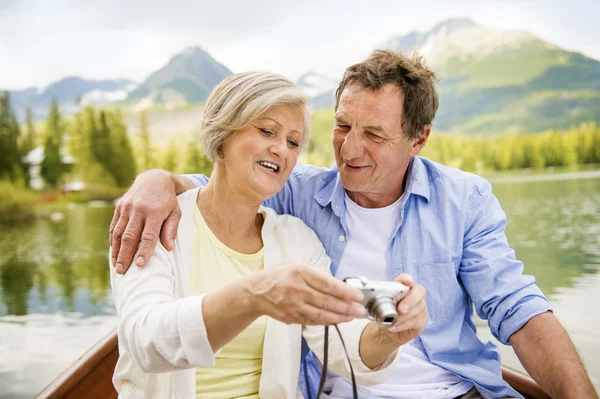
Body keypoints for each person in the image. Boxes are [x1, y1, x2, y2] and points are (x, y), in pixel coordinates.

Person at [110, 52, 598, 399]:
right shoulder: (280, 197)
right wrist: (156, 181)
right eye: (342, 126)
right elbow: (229, 183)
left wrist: (394, 329)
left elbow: (516, 308)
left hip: (454, 390)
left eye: (375, 135)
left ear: (418, 138)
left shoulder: (461, 201)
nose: (349, 149)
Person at [109, 70, 429, 399]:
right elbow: (145, 342)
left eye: (293, 142)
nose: (282, 150)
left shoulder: (297, 241)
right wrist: (253, 296)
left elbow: (341, 345)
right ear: (223, 133)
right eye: (267, 131)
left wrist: (390, 334)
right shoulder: (154, 221)